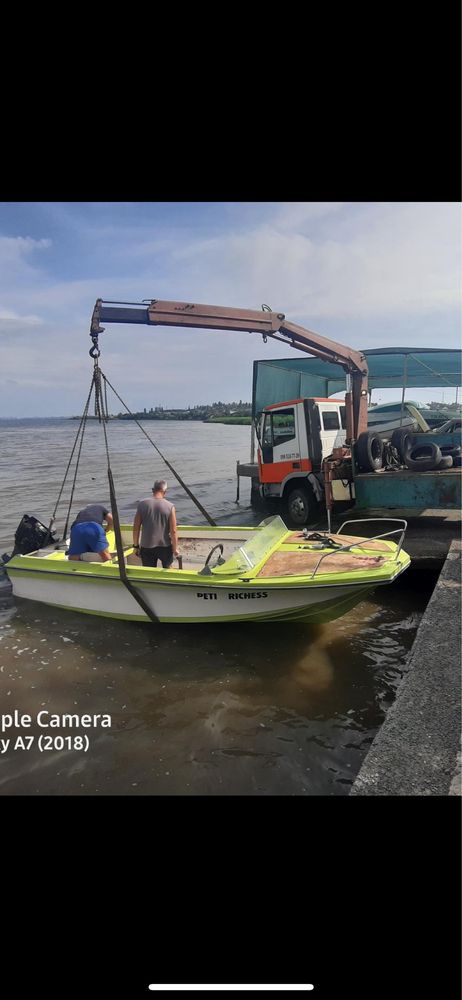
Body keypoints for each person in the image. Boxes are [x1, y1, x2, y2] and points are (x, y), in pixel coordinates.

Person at [133, 480, 179, 568]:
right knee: (168, 569)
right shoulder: (170, 506)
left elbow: (136, 528)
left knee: (149, 572)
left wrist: (136, 546)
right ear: (165, 492)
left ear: (153, 490)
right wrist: (175, 548)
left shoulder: (142, 504)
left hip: (146, 546)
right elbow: (173, 531)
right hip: (165, 546)